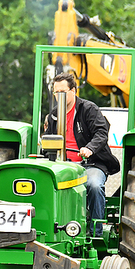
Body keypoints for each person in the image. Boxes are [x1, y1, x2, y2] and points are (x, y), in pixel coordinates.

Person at [45, 73, 120, 237]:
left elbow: (101, 133)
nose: (59, 96)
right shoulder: (53, 115)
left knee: (93, 185)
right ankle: (49, 231)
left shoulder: (89, 109)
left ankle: (96, 233)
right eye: (56, 92)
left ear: (73, 90)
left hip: (91, 164)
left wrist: (89, 148)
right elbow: (49, 141)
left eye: (63, 92)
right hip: (63, 165)